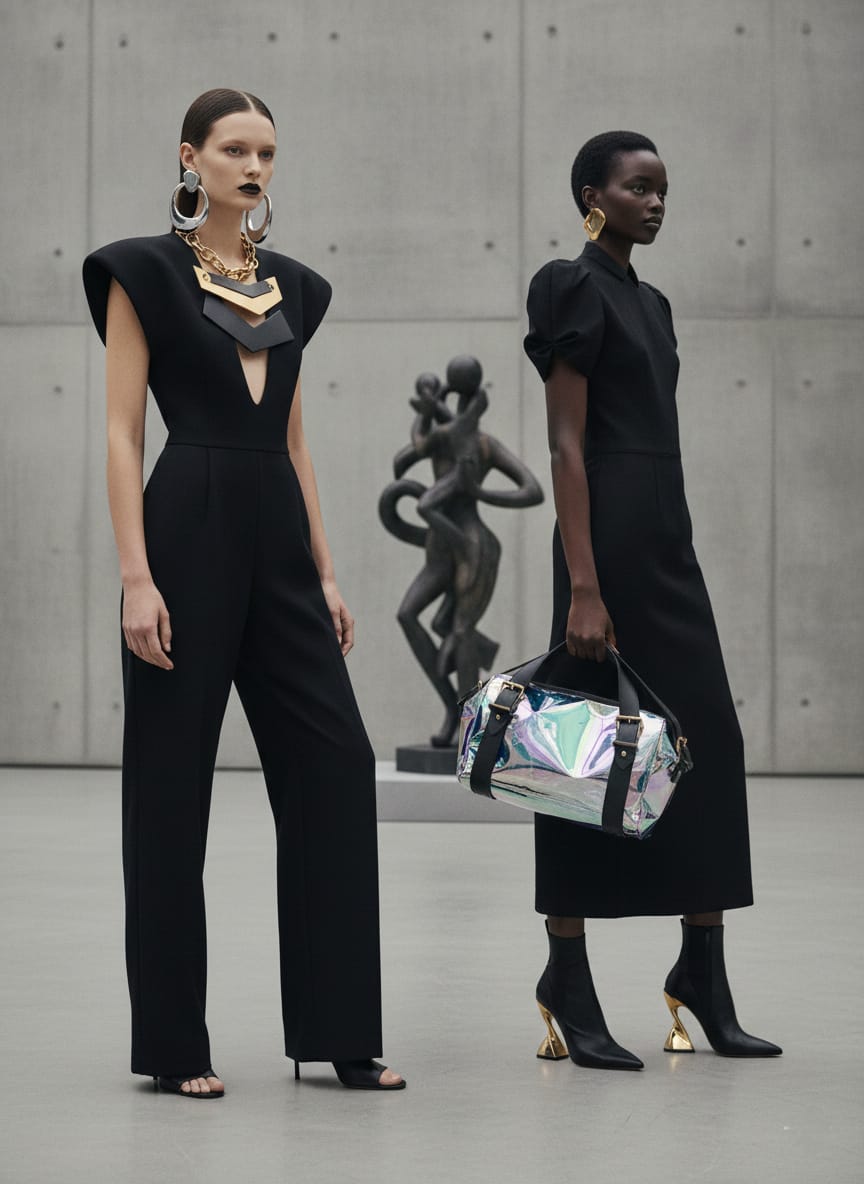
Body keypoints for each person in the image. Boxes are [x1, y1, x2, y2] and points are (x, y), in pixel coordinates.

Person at [83, 88, 403, 1097]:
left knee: (336, 765)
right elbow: (123, 431)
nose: (253, 165)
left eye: (266, 150)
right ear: (192, 158)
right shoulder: (142, 271)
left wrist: (327, 568)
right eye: (233, 148)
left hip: (278, 530)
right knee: (170, 786)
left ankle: (341, 1032)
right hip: (186, 525)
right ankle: (174, 1046)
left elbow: (296, 441)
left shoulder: (295, 286)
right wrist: (136, 576)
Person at [523, 131, 781, 1070]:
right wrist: (585, 586)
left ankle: (702, 973)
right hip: (604, 547)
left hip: (666, 538)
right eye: (639, 187)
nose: (657, 202)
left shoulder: (654, 301)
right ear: (593, 195)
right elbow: (565, 444)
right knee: (581, 765)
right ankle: (568, 977)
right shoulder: (569, 288)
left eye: (664, 189)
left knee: (705, 745)